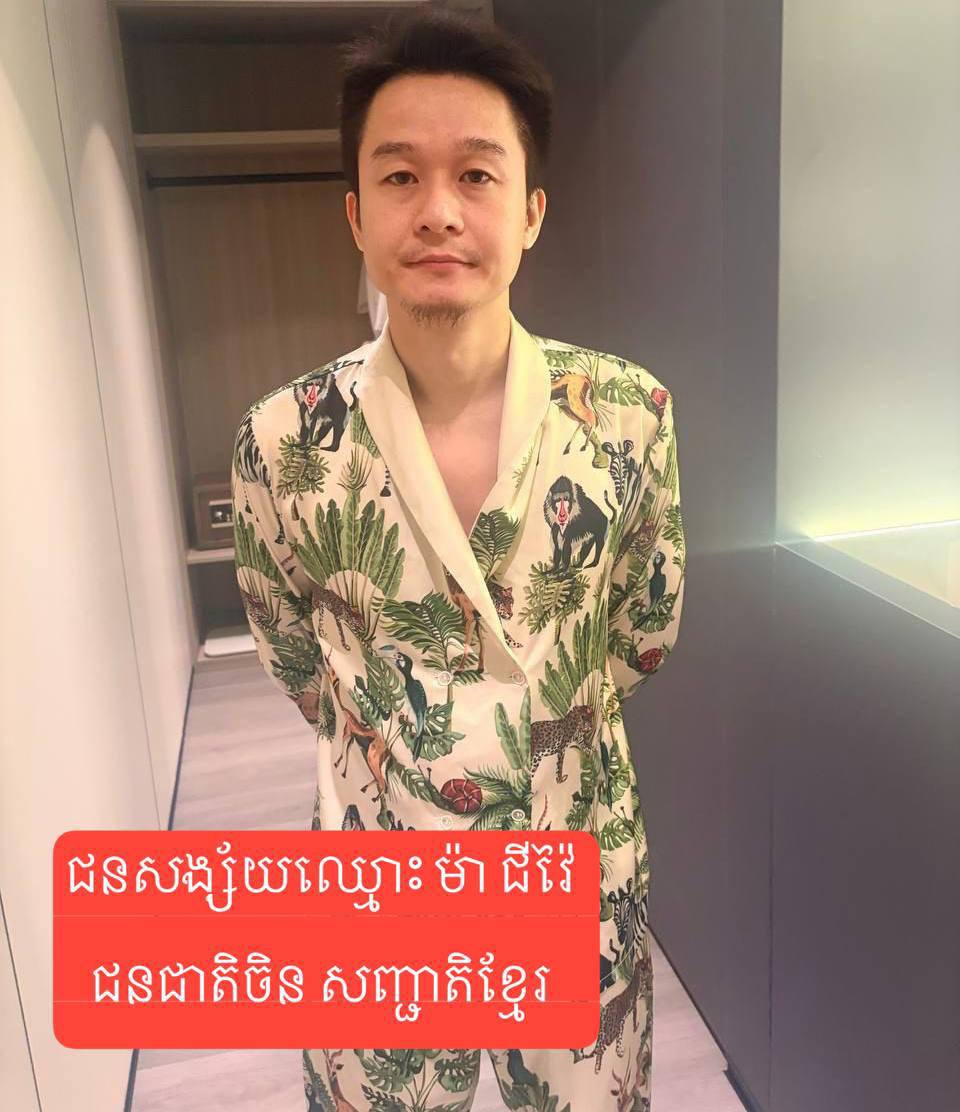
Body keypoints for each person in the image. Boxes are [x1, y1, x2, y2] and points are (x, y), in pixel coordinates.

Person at [230, 6, 686, 1110]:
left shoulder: (627, 413)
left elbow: (643, 628)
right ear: (356, 213)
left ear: (530, 211)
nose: (438, 211)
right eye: (399, 177)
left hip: (572, 858)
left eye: (476, 175)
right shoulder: (283, 440)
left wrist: (528, 733)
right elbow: (294, 654)